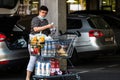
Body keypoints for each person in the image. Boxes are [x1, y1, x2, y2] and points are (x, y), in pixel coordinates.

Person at [26, 5, 53, 80]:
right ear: (39, 12)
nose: (44, 14)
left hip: (43, 42)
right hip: (35, 42)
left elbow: (47, 32)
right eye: (42, 12)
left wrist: (52, 30)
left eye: (45, 13)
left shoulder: (45, 21)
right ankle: (27, 78)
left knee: (43, 60)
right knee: (33, 59)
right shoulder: (35, 19)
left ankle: (43, 77)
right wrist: (47, 26)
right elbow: (35, 29)